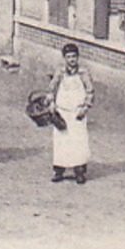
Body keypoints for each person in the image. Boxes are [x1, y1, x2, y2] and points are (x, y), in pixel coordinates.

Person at [50, 43, 95, 184]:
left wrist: (85, 107)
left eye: (74, 57)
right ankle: (59, 170)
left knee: (78, 140)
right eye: (68, 57)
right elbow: (52, 88)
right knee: (61, 141)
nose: (71, 60)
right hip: (62, 110)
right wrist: (51, 103)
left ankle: (79, 171)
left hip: (77, 112)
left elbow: (90, 91)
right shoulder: (60, 72)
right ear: (64, 58)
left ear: (78, 57)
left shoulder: (83, 73)